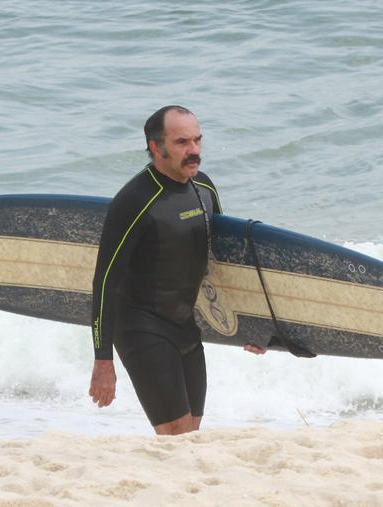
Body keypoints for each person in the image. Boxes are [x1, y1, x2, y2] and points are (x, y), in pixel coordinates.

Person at [88, 105, 264, 435]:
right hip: (141, 326)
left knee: (191, 433)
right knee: (176, 434)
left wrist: (249, 327)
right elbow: (105, 281)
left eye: (197, 140)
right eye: (182, 142)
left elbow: (219, 267)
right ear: (156, 147)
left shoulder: (205, 189)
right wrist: (102, 360)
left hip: (186, 325)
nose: (194, 150)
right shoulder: (135, 200)